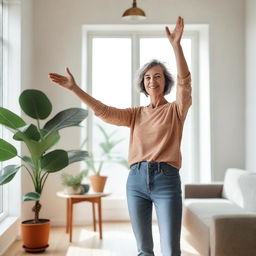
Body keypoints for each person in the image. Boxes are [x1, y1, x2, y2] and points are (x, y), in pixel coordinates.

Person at [49, 16, 191, 256]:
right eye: (147, 77)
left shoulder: (175, 109)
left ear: (165, 81)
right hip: (135, 181)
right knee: (143, 250)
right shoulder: (135, 114)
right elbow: (103, 111)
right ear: (142, 84)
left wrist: (176, 46)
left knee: (171, 250)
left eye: (157, 76)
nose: (151, 80)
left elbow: (185, 83)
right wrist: (75, 89)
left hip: (166, 180)